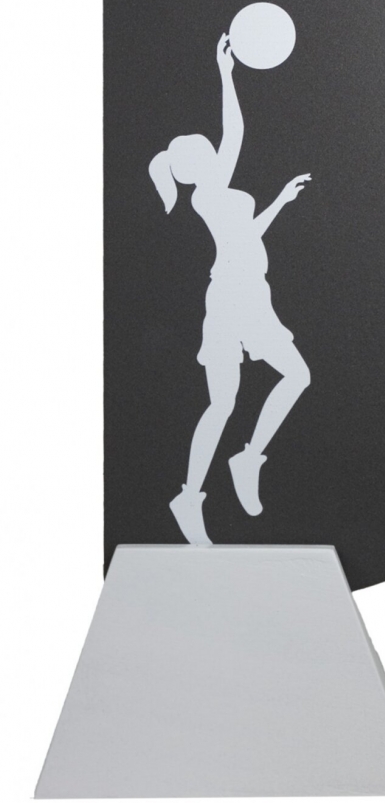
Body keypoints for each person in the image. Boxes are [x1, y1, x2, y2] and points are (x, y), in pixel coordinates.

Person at [149, 33, 312, 546]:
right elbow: (235, 132)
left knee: (295, 376)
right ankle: (189, 495)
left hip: (250, 295)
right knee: (223, 403)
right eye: (205, 150)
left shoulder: (219, 196)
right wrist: (226, 74)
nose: (214, 149)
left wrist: (279, 202)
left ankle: (248, 458)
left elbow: (248, 236)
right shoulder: (207, 194)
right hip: (230, 299)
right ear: (195, 167)